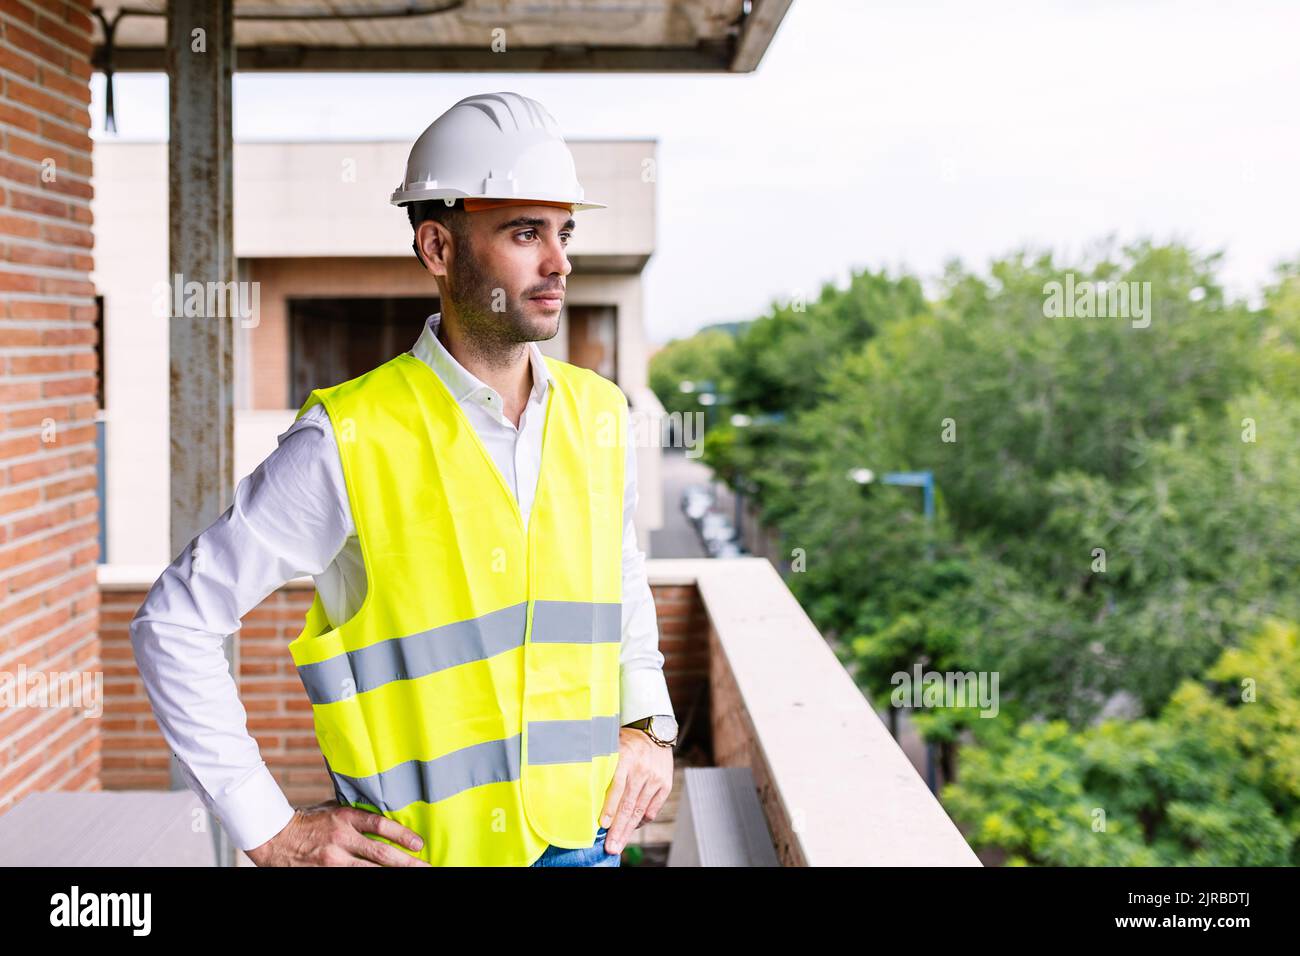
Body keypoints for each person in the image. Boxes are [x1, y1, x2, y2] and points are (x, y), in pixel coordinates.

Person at [130, 91, 679, 867]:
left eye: (564, 232)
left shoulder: (600, 413)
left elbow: (620, 580)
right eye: (525, 233)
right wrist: (269, 830)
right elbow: (174, 624)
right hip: (420, 857)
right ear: (439, 249)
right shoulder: (349, 437)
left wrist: (650, 724)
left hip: (586, 840)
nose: (559, 261)